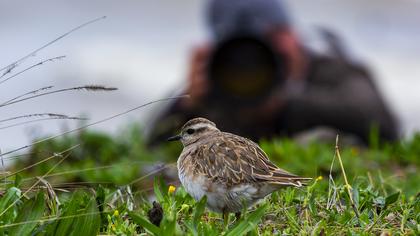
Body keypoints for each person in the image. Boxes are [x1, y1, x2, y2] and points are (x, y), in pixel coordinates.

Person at [145, 0, 398, 146]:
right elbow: (153, 143)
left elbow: (383, 124)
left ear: (292, 33)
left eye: (272, 36)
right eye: (244, 49)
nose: (252, 64)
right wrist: (187, 103)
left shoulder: (331, 69)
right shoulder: (218, 84)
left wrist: (284, 106)